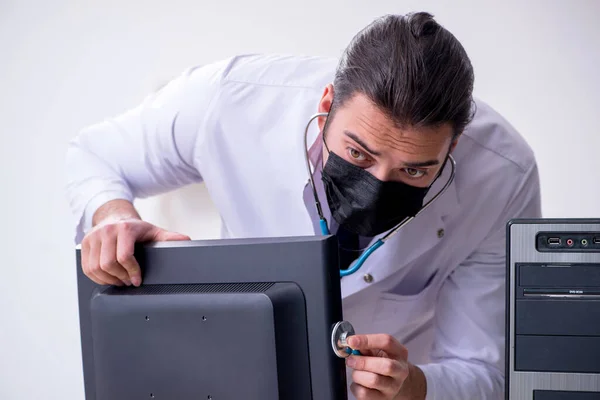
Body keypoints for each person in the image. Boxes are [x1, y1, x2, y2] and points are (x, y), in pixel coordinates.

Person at [65, 12, 541, 400]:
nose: (376, 186)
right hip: (234, 366)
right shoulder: (230, 101)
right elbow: (95, 154)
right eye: (358, 153)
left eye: (414, 170)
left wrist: (416, 386)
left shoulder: (502, 176)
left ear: (454, 145)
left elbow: (485, 372)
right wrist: (114, 217)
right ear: (327, 102)